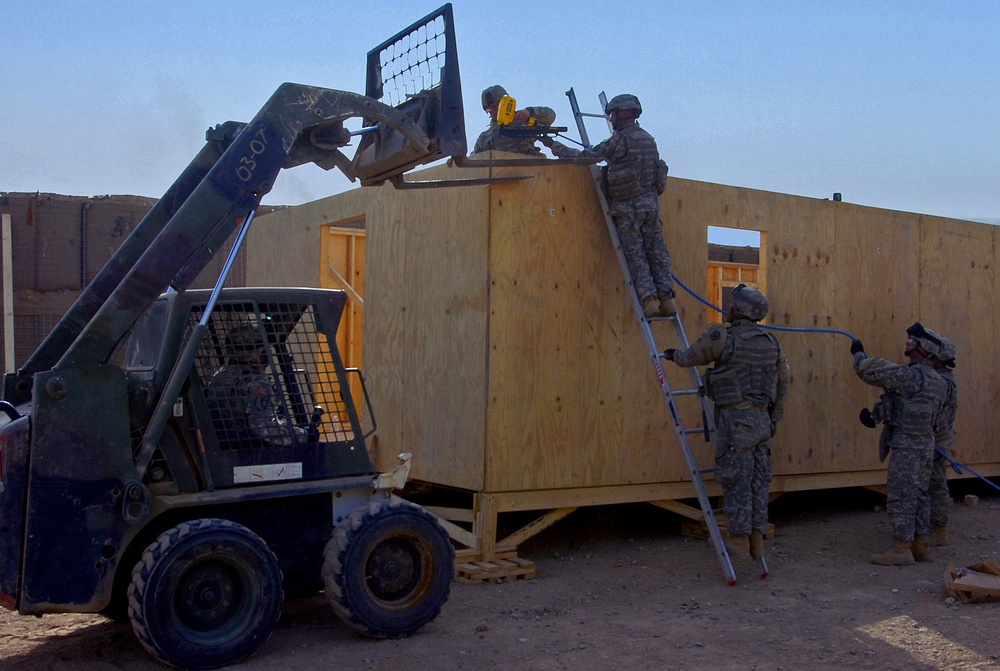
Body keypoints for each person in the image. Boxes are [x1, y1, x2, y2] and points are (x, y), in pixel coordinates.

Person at [663, 284, 790, 559]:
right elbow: (783, 383)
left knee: (737, 481)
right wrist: (774, 419)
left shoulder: (723, 336)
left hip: (735, 421)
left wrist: (674, 355)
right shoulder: (771, 342)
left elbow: (692, 357)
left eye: (732, 305)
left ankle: (739, 541)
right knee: (758, 482)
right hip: (762, 422)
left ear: (738, 310)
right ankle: (757, 541)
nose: (727, 308)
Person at [542, 94, 675, 318]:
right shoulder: (648, 139)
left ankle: (650, 300)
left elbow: (584, 157)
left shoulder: (619, 141)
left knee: (636, 255)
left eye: (612, 114)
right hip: (651, 208)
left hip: (627, 209)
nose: (610, 118)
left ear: (622, 114)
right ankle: (668, 299)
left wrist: (553, 145)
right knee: (657, 253)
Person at [852, 322, 949, 565]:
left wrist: (859, 354)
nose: (907, 343)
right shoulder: (939, 382)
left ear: (923, 348)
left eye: (912, 341)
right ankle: (921, 545)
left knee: (901, 494)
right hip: (926, 444)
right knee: (920, 494)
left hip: (906, 444)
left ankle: (901, 548)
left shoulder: (909, 376)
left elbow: (868, 371)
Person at [207, 323, 310, 448]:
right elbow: (264, 428)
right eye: (264, 351)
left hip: (226, 444)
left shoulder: (220, 376)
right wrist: (304, 435)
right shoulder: (256, 383)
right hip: (251, 449)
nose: (268, 356)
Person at [928, 335, 958, 546]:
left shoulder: (942, 381)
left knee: (936, 484)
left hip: (937, 441)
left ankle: (939, 529)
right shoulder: (941, 378)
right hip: (937, 439)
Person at [473, 84, 556, 156]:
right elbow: (473, 161)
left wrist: (530, 111)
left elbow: (550, 116)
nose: (494, 111)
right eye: (489, 109)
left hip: (530, 170)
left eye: (497, 106)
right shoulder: (484, 138)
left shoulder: (523, 123)